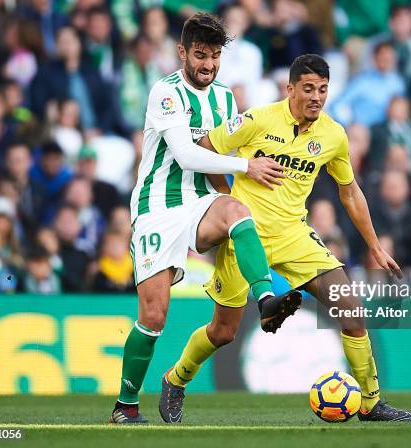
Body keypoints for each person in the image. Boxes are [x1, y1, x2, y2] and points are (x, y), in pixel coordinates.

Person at [160, 54, 411, 424]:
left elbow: (349, 191)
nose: (316, 97)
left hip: (294, 234)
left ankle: (371, 402)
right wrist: (225, 199)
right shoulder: (256, 120)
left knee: (351, 310)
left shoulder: (333, 135)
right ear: (290, 88)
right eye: (308, 89)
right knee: (223, 331)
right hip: (244, 235)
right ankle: (176, 378)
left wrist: (374, 245)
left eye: (323, 90)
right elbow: (205, 151)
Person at [110, 13, 298, 425]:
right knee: (154, 316)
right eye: (200, 55)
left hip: (200, 201)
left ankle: (265, 299)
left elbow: (216, 160)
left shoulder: (225, 98)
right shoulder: (165, 93)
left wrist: (236, 206)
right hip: (157, 208)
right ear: (182, 53)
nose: (208, 64)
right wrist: (248, 166)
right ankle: (125, 406)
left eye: (214, 56)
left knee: (237, 212)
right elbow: (186, 153)